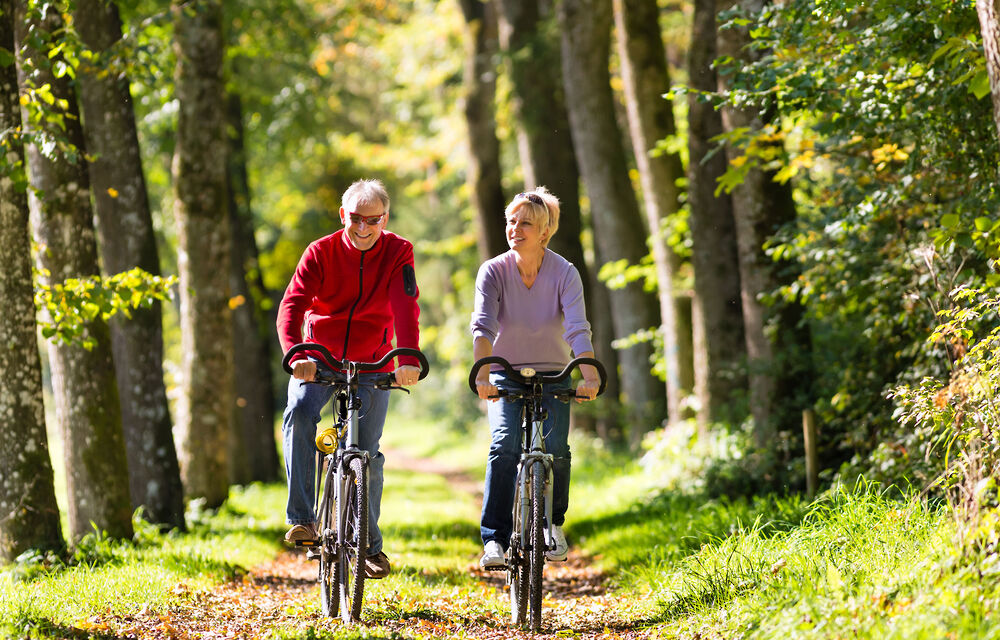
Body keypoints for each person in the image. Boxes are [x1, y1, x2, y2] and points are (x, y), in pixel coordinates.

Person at [276, 178, 421, 580]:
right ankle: (303, 518)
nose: (363, 228)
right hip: (317, 356)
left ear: (384, 219)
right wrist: (297, 353)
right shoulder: (320, 252)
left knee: (368, 454)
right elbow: (293, 306)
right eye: (355, 218)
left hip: (374, 360)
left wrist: (407, 357)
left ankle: (369, 547)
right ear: (343, 215)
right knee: (301, 412)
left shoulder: (398, 251)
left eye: (372, 220)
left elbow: (405, 305)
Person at [470, 186, 600, 570]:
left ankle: (554, 523)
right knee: (504, 445)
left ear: (544, 232)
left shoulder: (565, 273)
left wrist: (589, 375)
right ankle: (494, 539)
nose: (515, 228)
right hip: (506, 375)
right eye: (512, 221)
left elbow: (578, 329)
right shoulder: (493, 271)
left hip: (555, 373)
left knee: (557, 449)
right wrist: (482, 373)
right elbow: (483, 327)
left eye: (525, 223)